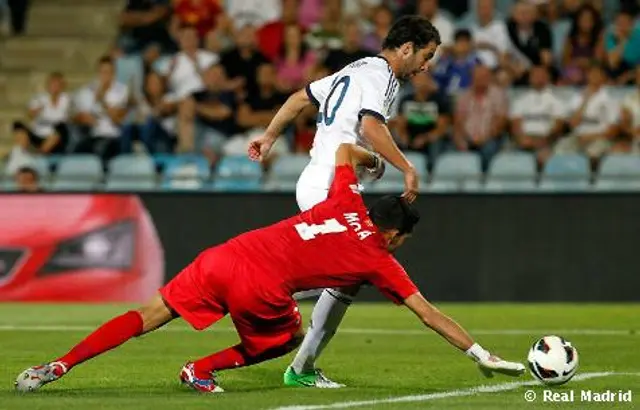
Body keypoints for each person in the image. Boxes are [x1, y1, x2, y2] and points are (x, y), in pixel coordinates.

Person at [15, 143, 525, 394]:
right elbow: (427, 313)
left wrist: (370, 163)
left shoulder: (345, 196)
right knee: (285, 340)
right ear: (392, 235)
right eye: (402, 243)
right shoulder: (377, 256)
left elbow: (345, 150)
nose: (400, 249)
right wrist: (481, 352)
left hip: (224, 255)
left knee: (147, 315)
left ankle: (56, 367)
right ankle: (201, 368)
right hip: (259, 285)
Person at [248, 15, 440, 387]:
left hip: (321, 180)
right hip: (329, 185)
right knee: (349, 271)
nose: (425, 66)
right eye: (425, 55)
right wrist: (407, 167)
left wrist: (270, 136)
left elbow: (297, 99)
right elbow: (370, 126)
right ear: (406, 49)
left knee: (346, 278)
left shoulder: (355, 68)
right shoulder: (383, 77)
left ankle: (298, 361)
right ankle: (260, 298)